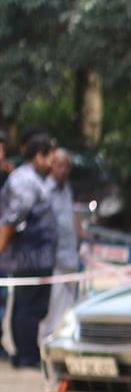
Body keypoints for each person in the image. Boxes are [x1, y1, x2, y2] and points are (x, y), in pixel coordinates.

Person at [0, 133, 60, 369]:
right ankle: (26, 355)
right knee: (27, 306)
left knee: (34, 306)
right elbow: (12, 220)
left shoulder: (37, 179)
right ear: (38, 156)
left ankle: (28, 351)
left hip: (40, 258)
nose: (52, 163)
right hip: (29, 258)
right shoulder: (25, 180)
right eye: (50, 158)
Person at [39, 148, 82, 349]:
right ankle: (48, 340)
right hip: (54, 258)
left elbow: (71, 216)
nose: (62, 170)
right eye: (59, 165)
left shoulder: (67, 189)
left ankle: (63, 339)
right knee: (53, 303)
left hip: (70, 255)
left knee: (69, 303)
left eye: (66, 166)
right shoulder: (45, 190)